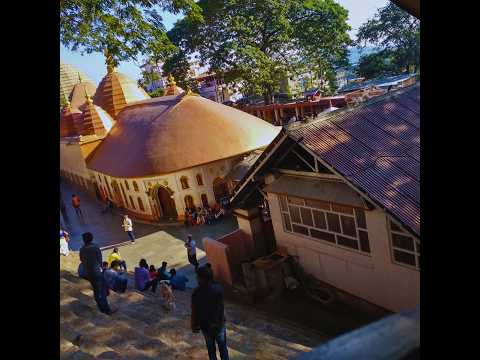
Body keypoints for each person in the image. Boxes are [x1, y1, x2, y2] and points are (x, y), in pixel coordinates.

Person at [191, 265, 229, 360]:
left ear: (202, 278)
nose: (197, 278)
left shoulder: (196, 293)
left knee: (211, 349)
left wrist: (193, 325)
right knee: (223, 348)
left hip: (206, 327)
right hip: (219, 324)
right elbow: (221, 305)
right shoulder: (218, 288)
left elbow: (194, 311)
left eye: (198, 276)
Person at [79, 232, 115, 315]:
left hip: (88, 272)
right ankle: (106, 309)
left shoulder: (82, 249)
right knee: (101, 291)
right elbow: (100, 260)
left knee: (96, 290)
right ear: (91, 238)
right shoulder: (95, 247)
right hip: (97, 272)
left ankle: (100, 306)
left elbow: (81, 259)